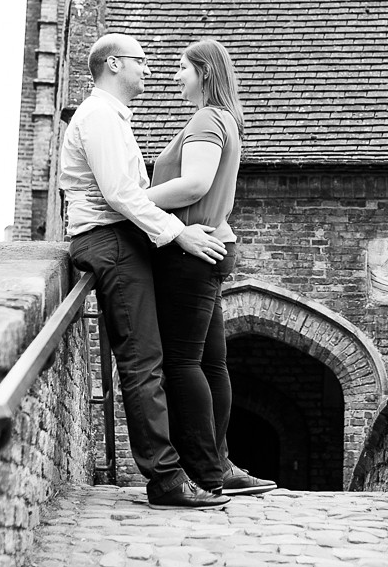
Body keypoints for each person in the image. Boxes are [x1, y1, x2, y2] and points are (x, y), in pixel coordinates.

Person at [59, 32, 230, 510]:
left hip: (123, 240)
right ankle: (166, 481)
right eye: (140, 61)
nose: (149, 71)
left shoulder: (111, 118)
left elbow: (127, 191)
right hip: (109, 242)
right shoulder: (98, 117)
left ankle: (182, 473)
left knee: (151, 360)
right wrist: (179, 233)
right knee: (143, 362)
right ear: (114, 65)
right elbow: (119, 194)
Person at [145, 39, 277, 497]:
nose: (174, 77)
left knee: (182, 363)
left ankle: (206, 468)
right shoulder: (225, 119)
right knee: (212, 362)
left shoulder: (205, 119)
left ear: (203, 71)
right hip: (213, 246)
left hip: (190, 252)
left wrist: (129, 199)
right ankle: (220, 463)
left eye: (181, 68)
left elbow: (196, 183)